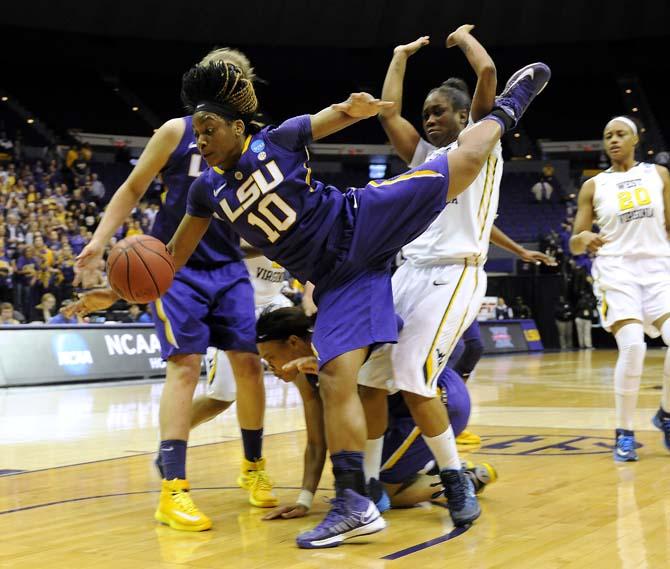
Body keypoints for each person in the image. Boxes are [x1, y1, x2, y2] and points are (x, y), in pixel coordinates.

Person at [172, 53, 549, 548]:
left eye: (209, 128)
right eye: (195, 132)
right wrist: (115, 287)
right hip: (338, 280)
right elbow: (172, 255)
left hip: (359, 220)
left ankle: (510, 107)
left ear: (238, 126)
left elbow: (333, 116)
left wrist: (352, 107)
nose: (200, 139)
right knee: (336, 379)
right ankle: (355, 503)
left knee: (460, 164)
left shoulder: (278, 138)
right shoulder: (206, 192)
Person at [68, 48, 276, 532]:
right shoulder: (176, 132)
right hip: (173, 264)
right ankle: (173, 490)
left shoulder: (257, 141)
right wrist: (98, 243)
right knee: (183, 367)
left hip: (229, 266)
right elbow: (132, 188)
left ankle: (253, 468)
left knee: (247, 366)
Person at [373, 29, 555, 461]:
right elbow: (387, 115)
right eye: (425, 114)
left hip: (453, 270)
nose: (429, 120)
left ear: (462, 117)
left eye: (438, 112)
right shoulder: (423, 157)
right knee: (373, 371)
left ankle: (452, 467)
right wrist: (399, 57)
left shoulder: (479, 144)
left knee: (427, 366)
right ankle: (381, 470)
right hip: (410, 271)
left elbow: (488, 71)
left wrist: (461, 40)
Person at [253, 308, 497, 520]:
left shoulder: (335, 340)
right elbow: (317, 443)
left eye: (270, 358)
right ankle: (433, 469)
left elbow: (391, 340)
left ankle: (464, 480)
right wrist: (304, 501)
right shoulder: (305, 377)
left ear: (294, 342)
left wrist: (323, 366)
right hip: (401, 415)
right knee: (365, 479)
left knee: (382, 489)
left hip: (435, 399)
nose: (270, 367)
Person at [570, 115, 670, 461]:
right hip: (616, 271)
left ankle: (666, 414)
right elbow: (575, 243)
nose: (613, 140)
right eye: (607, 135)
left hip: (659, 268)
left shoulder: (658, 175)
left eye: (620, 134)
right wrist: (582, 237)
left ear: (636, 139)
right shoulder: (594, 186)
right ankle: (624, 433)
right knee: (633, 348)